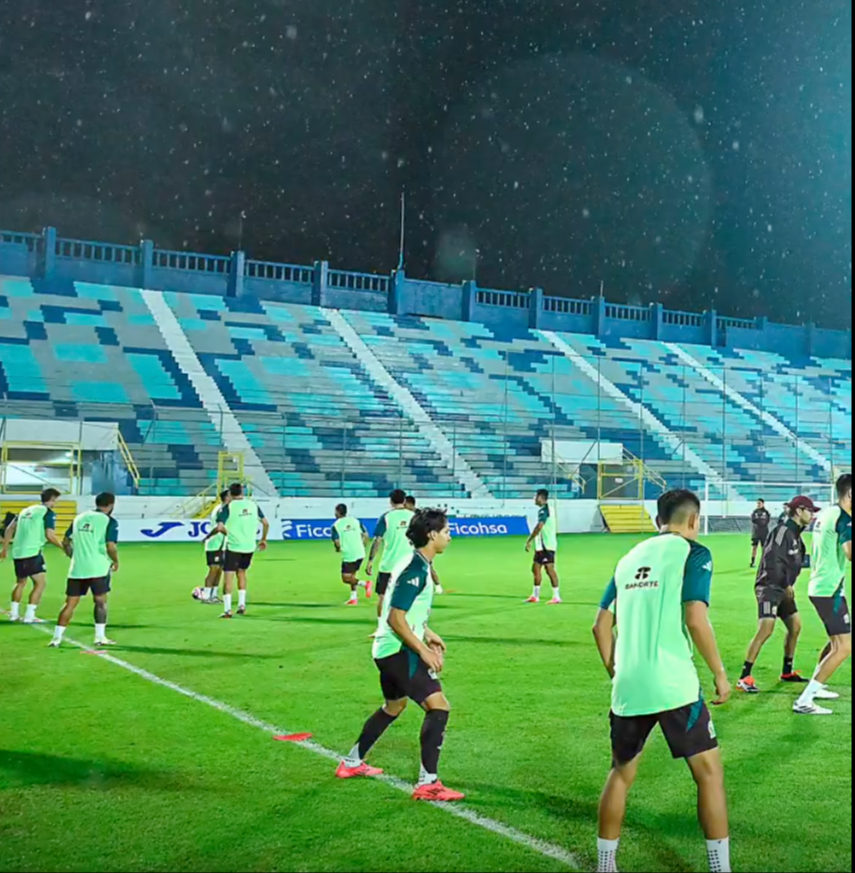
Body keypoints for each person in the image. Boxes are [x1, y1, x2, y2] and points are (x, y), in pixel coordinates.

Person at [592, 489, 731, 873]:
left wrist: (616, 672)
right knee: (709, 774)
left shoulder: (628, 558)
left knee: (621, 773)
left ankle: (606, 865)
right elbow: (695, 618)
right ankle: (720, 869)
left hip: (629, 686)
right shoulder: (694, 552)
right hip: (674, 684)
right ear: (693, 521)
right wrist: (720, 674)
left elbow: (600, 625)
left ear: (658, 520)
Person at [336, 508, 464, 802]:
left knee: (393, 707)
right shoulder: (415, 569)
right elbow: (395, 617)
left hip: (387, 649)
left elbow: (403, 610)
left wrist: (427, 632)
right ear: (432, 535)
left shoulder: (413, 562)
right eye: (446, 531)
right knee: (439, 707)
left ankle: (351, 762)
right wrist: (422, 650)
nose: (450, 536)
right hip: (397, 651)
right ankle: (428, 782)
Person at [737, 496, 819, 693]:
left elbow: (795, 562)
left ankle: (787, 671)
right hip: (769, 586)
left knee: (795, 626)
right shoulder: (782, 531)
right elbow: (772, 559)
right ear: (799, 511)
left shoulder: (796, 536)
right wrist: (785, 583)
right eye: (810, 510)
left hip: (783, 588)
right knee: (766, 628)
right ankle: (744, 677)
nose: (812, 515)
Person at [794, 473, 852, 715]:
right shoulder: (844, 519)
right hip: (829, 589)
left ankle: (815, 688)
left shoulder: (827, 513)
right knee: (845, 646)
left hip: (821, 585)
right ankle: (805, 700)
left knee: (835, 641)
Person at [49, 492, 119, 648]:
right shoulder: (109, 521)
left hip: (77, 569)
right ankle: (100, 637)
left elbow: (66, 541)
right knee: (100, 602)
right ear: (111, 505)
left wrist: (73, 556)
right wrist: (115, 561)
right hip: (98, 568)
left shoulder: (79, 518)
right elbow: (111, 546)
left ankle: (56, 638)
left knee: (70, 604)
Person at [1, 488, 64, 623]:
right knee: (40, 583)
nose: (56, 503)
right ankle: (30, 616)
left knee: (20, 582)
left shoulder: (25, 510)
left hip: (18, 552)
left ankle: (14, 614)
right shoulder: (47, 513)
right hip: (32, 552)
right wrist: (63, 548)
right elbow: (50, 535)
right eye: (56, 500)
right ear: (52, 499)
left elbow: (9, 529)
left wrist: (5, 549)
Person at [210, 483, 269, 618]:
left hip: (234, 546)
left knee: (228, 576)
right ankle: (242, 605)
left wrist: (229, 534)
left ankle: (227, 610)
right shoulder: (253, 505)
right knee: (242, 573)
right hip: (249, 546)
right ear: (242, 492)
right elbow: (265, 523)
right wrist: (263, 539)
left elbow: (219, 527)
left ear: (230, 493)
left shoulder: (227, 507)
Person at [367, 490, 414, 617]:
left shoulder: (386, 517)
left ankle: (381, 629)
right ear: (404, 501)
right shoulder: (413, 516)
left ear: (391, 501)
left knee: (383, 597)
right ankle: (409, 626)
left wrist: (370, 561)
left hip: (389, 564)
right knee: (409, 596)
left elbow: (377, 540)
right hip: (409, 564)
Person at [196, 489, 231, 603]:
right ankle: (206, 595)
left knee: (219, 569)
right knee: (213, 569)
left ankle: (214, 594)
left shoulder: (226, 510)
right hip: (215, 544)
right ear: (226, 497)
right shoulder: (221, 509)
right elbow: (218, 528)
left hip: (222, 544)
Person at [525, 489, 560, 604]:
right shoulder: (547, 509)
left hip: (547, 545)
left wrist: (529, 540)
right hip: (541, 545)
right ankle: (535, 596)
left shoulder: (544, 510)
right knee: (535, 568)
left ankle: (556, 596)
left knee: (549, 569)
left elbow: (540, 525)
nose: (534, 499)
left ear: (541, 497)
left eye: (536, 497)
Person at [332, 504, 372, 605]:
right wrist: (363, 545)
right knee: (353, 575)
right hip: (360, 552)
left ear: (337, 512)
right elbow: (366, 534)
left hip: (349, 554)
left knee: (346, 578)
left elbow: (337, 542)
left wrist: (338, 549)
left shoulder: (336, 525)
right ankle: (353, 598)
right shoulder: (355, 520)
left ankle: (365, 584)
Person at [405, 495, 443, 595]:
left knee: (428, 565)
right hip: (413, 544)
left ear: (410, 504)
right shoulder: (412, 515)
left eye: (406, 504)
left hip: (423, 545)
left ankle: (438, 585)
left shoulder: (418, 515)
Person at [750, 499, 772, 568]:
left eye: (759, 503)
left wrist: (760, 522)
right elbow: (753, 520)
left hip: (764, 533)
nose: (758, 504)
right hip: (756, 532)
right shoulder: (755, 512)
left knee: (764, 548)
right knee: (754, 547)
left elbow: (767, 521)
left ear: (763, 504)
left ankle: (764, 562)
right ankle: (752, 562)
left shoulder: (766, 512)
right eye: (757, 503)